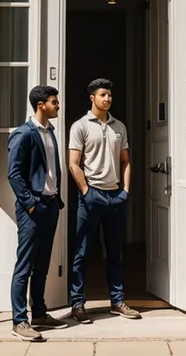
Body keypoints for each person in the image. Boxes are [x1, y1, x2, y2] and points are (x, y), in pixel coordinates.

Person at [68, 78, 141, 323]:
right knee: (82, 252)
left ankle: (117, 301)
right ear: (92, 98)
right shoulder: (80, 126)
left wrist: (125, 191)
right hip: (92, 196)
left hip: (115, 196)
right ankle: (77, 303)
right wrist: (87, 192)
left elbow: (126, 161)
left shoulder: (119, 126)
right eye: (103, 95)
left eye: (109, 94)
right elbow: (73, 164)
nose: (107, 99)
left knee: (115, 253)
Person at [8, 85, 68, 342]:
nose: (58, 105)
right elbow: (14, 174)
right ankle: (19, 320)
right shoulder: (23, 134)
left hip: (51, 205)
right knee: (25, 264)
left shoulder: (50, 132)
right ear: (41, 105)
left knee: (42, 264)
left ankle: (40, 313)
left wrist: (53, 201)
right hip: (32, 209)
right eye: (54, 102)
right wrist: (30, 203)